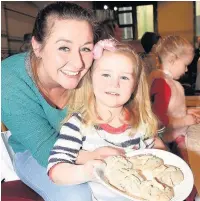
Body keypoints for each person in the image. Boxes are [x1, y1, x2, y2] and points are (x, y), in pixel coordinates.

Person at [1, 2, 100, 201]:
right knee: (76, 196)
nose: (78, 63)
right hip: (35, 152)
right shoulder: (9, 79)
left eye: (86, 49)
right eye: (64, 47)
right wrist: (101, 159)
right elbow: (45, 148)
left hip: (91, 144)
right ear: (37, 46)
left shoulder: (96, 70)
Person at [47, 39, 166, 201]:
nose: (114, 83)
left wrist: (164, 157)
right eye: (106, 74)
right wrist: (86, 172)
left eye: (124, 78)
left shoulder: (141, 122)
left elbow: (156, 150)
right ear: (91, 79)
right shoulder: (78, 125)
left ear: (135, 85)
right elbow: (56, 169)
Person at [148, 35, 200, 162]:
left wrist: (185, 112)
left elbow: (169, 108)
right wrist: (184, 121)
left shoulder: (165, 81)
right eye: (185, 65)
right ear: (172, 59)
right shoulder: (162, 84)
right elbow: (160, 119)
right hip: (168, 139)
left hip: (172, 134)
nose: (187, 69)